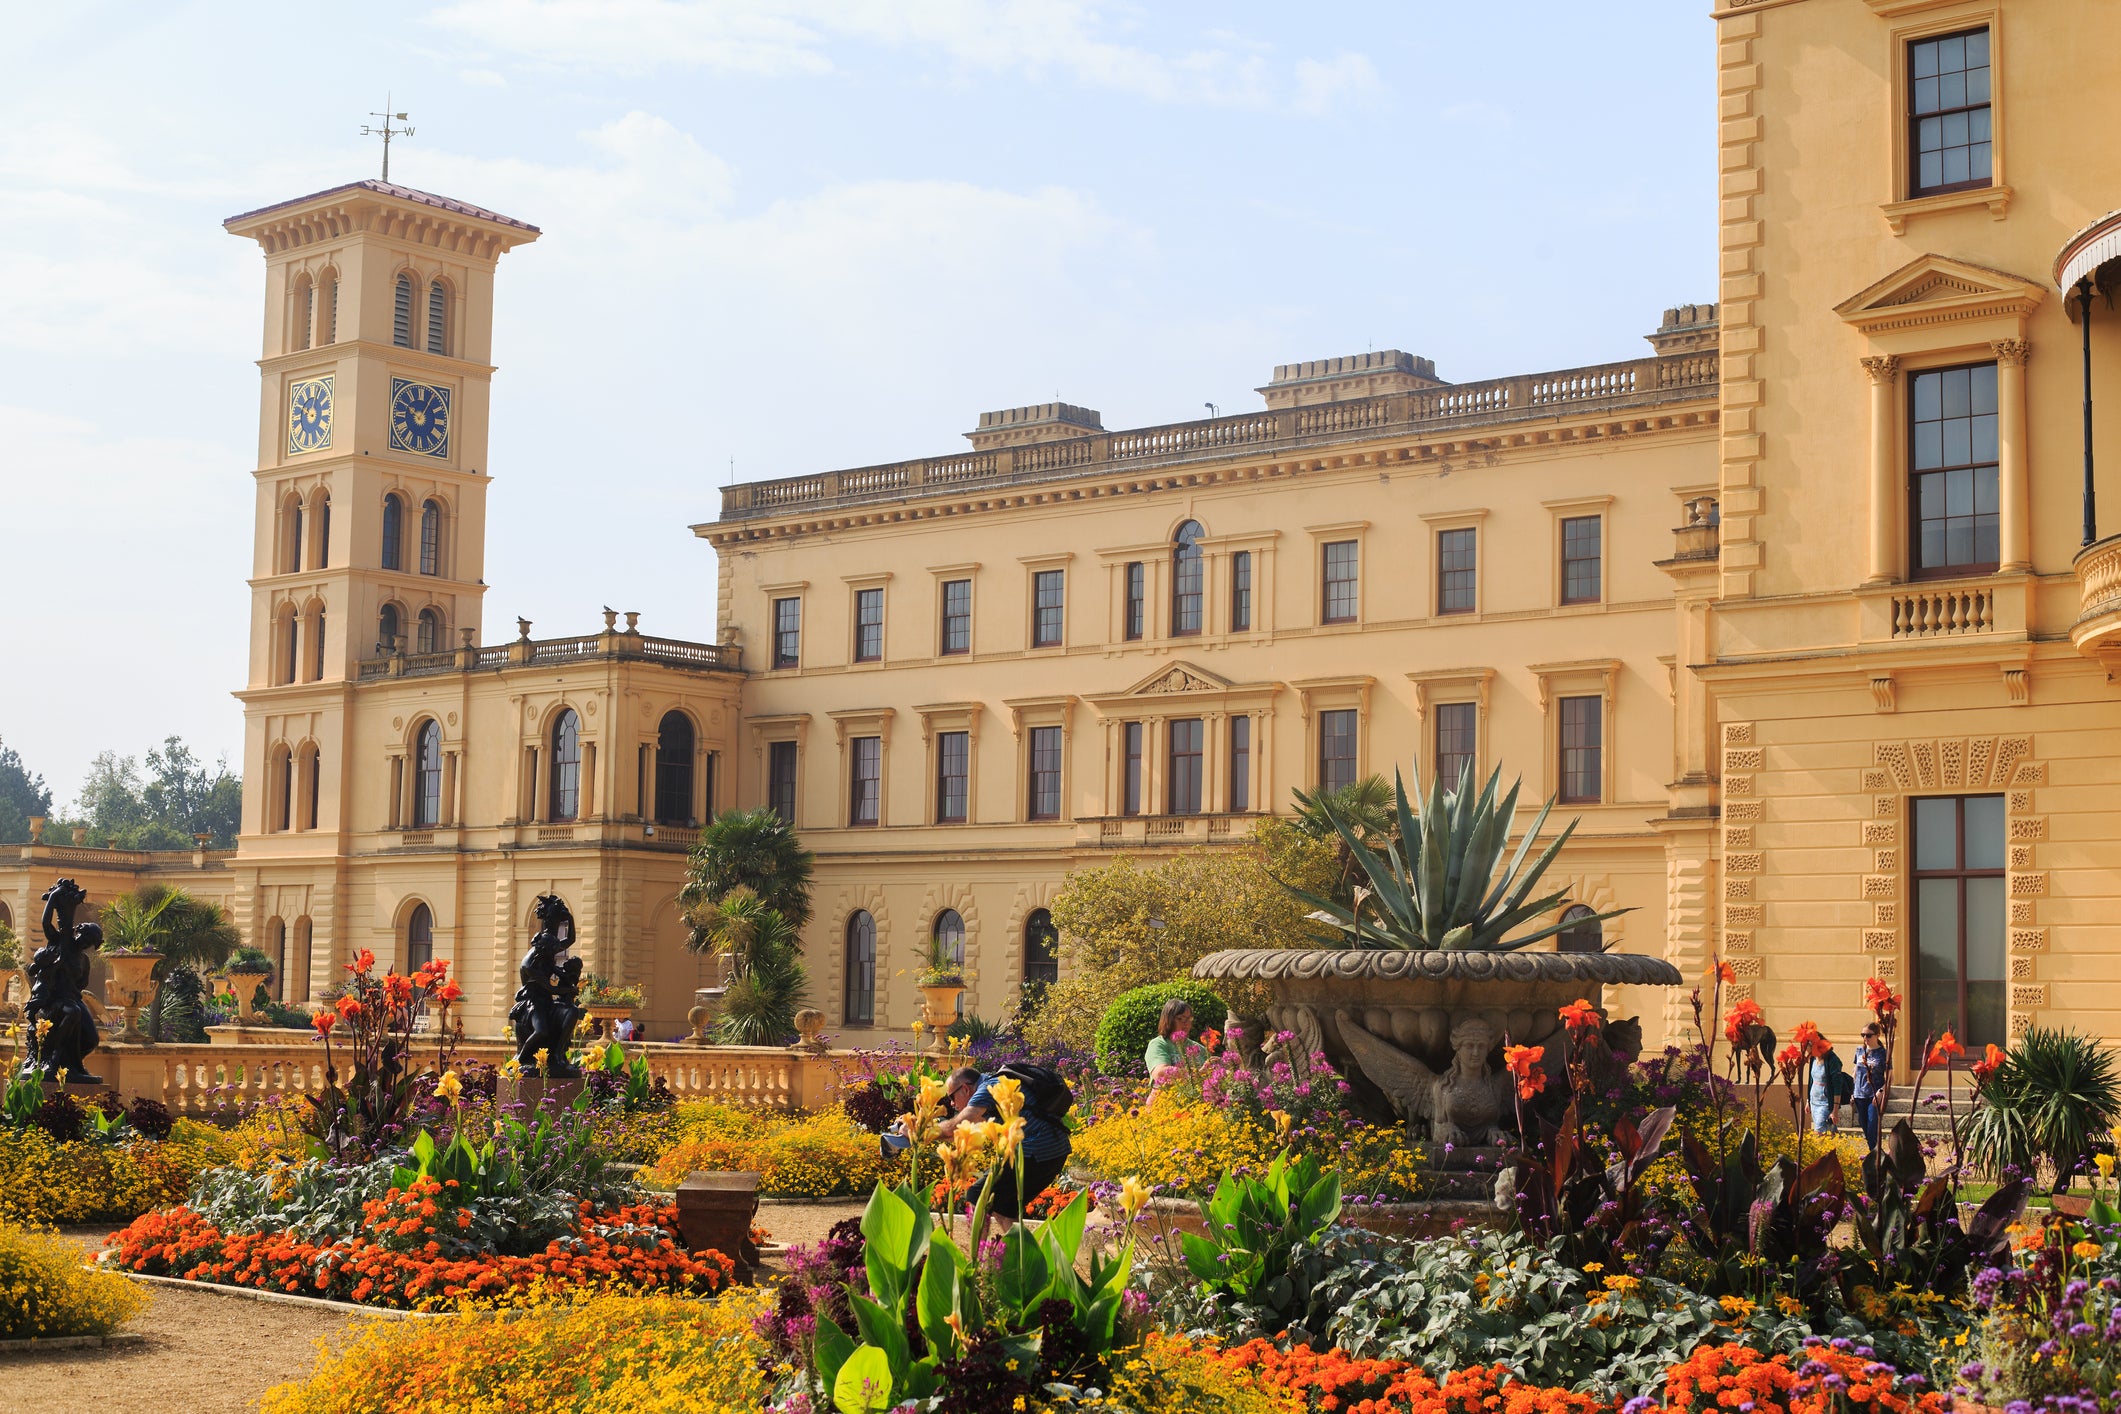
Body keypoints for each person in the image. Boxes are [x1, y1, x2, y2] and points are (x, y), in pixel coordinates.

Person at [926, 1063, 1073, 1240]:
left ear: (965, 1088)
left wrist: (920, 1130)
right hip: (1054, 1152)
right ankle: (1026, 1259)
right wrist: (924, 1135)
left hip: (1036, 1151)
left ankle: (978, 1255)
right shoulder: (992, 1085)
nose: (952, 1103)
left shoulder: (988, 1088)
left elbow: (955, 1126)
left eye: (952, 1096)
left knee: (977, 1193)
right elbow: (958, 1132)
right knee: (1004, 1208)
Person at [1851, 1024, 1890, 1148]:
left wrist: (1881, 1091)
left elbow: (1890, 1076)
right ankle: (1874, 1151)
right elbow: (1855, 1071)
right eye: (1863, 1035)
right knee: (1863, 1124)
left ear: (1877, 1035)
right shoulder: (1859, 1050)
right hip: (1859, 1094)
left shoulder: (1883, 1053)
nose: (1865, 1038)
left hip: (1874, 1095)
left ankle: (1875, 1153)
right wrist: (1852, 1091)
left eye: (1868, 1035)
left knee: (1872, 1123)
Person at [1144, 997, 1193, 1083]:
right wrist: (1195, 1073)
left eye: (1189, 1019)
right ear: (1168, 1020)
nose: (1186, 1023)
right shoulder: (1158, 1044)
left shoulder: (1198, 1048)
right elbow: (1160, 1073)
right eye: (1181, 1018)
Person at [1811, 1046, 1845, 1133]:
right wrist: (1808, 1100)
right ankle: (1837, 1145)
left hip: (1825, 1103)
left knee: (1819, 1132)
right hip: (1814, 1102)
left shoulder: (1832, 1060)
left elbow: (1837, 1086)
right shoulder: (1813, 1058)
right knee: (1829, 1132)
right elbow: (1811, 1080)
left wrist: (1835, 1110)